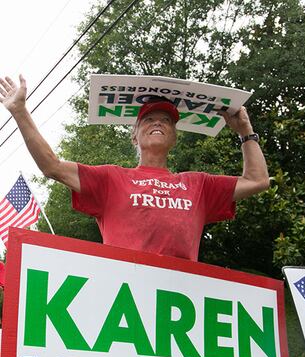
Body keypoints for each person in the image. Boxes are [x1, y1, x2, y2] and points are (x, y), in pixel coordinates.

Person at [0, 75, 269, 261]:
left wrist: (245, 131)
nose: (158, 123)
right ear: (134, 136)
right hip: (123, 297)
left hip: (179, 301)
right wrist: (20, 112)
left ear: (174, 136)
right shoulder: (110, 178)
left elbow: (257, 180)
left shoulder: (198, 184)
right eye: (148, 119)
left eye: (166, 120)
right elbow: (52, 166)